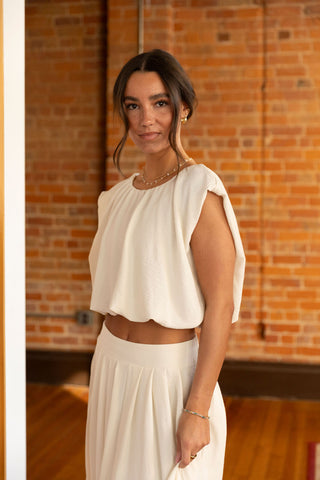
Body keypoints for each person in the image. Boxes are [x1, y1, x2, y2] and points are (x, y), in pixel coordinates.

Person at [85, 49, 245, 480]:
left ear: (183, 108)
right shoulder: (114, 200)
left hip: (168, 379)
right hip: (110, 367)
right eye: (132, 106)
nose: (144, 120)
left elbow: (221, 307)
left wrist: (197, 408)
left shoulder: (198, 189)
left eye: (159, 103)